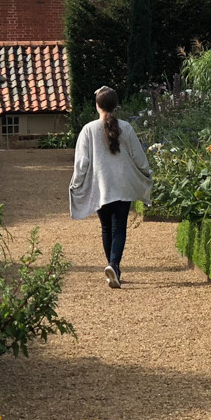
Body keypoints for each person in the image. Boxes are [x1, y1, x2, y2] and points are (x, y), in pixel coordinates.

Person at [69, 86, 153, 288]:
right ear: (115, 105)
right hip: (123, 186)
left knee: (106, 228)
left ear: (97, 105)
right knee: (119, 228)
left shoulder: (88, 130)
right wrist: (146, 173)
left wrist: (76, 183)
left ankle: (112, 267)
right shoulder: (127, 128)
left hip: (100, 186)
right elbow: (138, 157)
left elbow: (82, 163)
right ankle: (114, 265)